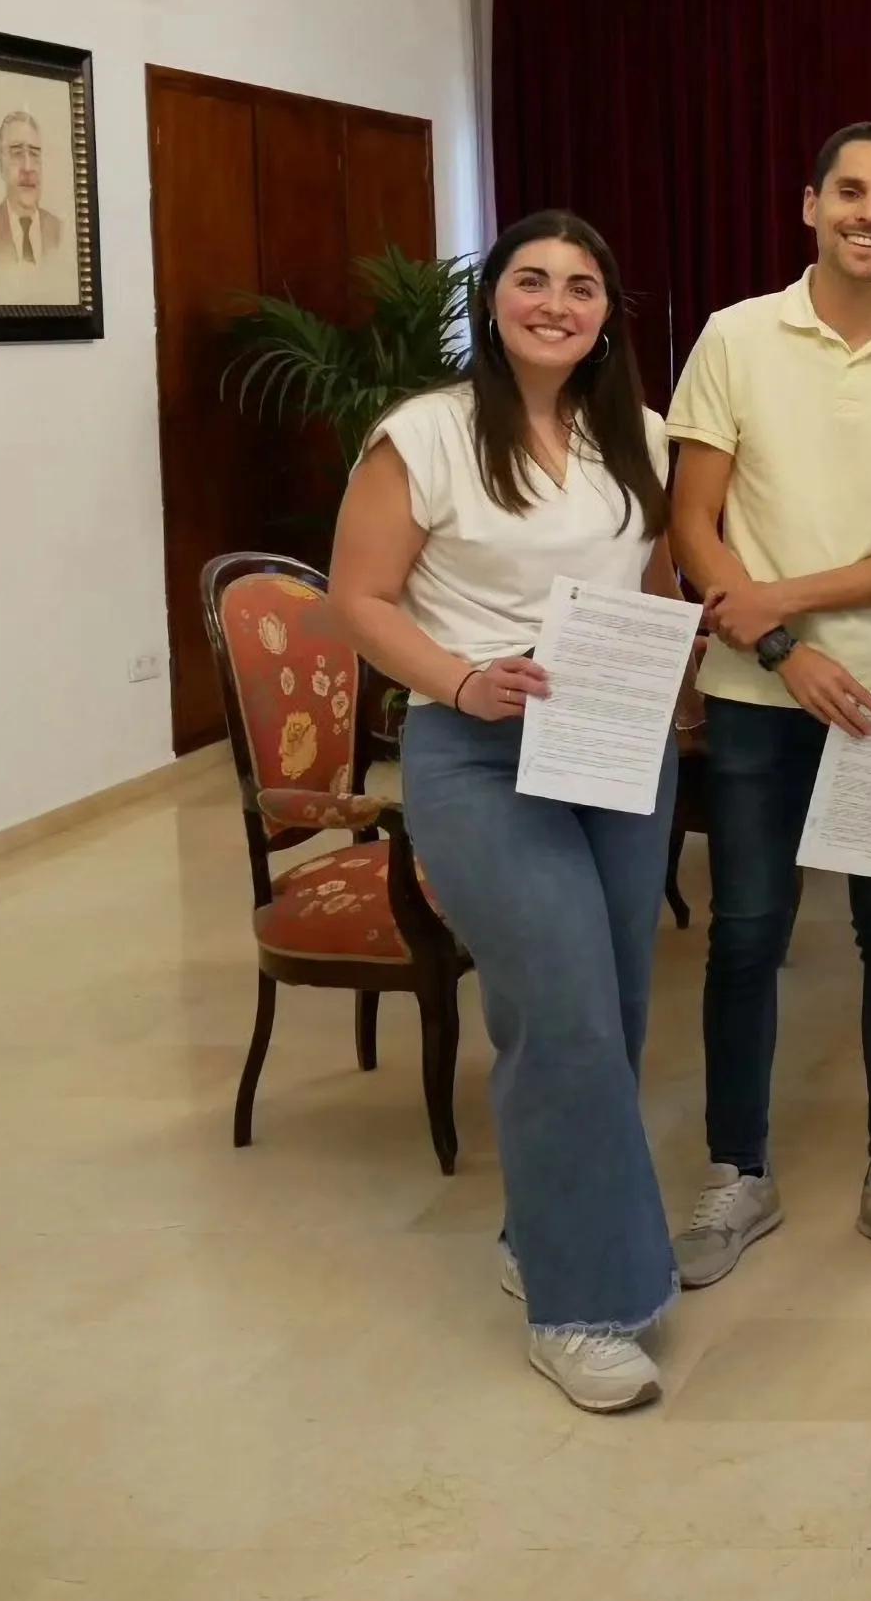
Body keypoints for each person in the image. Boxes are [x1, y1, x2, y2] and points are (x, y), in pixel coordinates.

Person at [327, 209, 680, 1412]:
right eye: (531, 279)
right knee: (567, 1003)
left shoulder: (641, 433)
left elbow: (660, 579)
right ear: (494, 301)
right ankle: (581, 1306)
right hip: (477, 746)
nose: (556, 301)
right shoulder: (422, 434)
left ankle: (546, 1227)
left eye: (582, 285)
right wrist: (462, 680)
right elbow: (359, 596)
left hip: (617, 745)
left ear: (605, 313)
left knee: (615, 1002)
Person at [664, 122, 871, 1290]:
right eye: (850, 190)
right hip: (755, 695)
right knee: (747, 935)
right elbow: (690, 521)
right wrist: (784, 643)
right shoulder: (736, 336)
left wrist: (778, 600)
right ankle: (736, 1169)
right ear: (810, 203)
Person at [0, 108, 74, 305]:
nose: (28, 167)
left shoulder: (60, 232)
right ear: (1, 164)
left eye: (34, 154)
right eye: (16, 153)